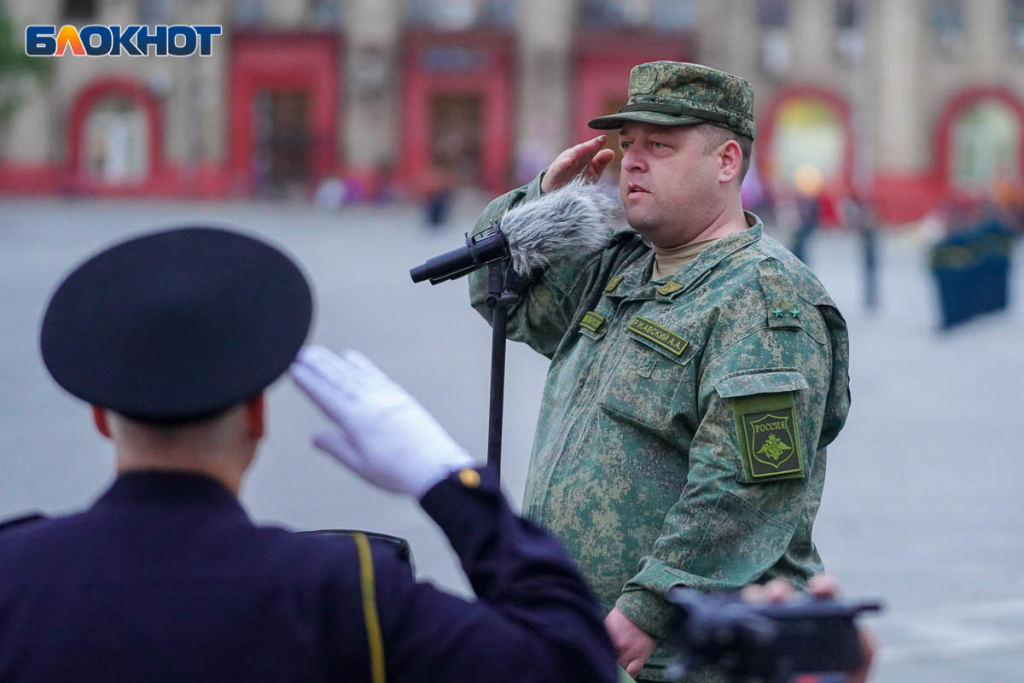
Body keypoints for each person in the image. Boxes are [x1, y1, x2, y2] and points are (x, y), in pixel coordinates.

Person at [0, 226, 618, 683]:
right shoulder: (336, 592)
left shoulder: (14, 573)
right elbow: (570, 661)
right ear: (257, 417)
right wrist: (446, 479)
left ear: (102, 418)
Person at [467, 62, 851, 682]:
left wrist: (646, 609)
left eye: (660, 146)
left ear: (727, 162)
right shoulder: (620, 268)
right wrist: (539, 203)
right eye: (628, 146)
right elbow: (500, 301)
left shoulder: (763, 297)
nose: (632, 162)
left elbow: (748, 488)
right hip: (589, 636)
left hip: (690, 651)